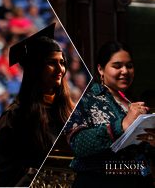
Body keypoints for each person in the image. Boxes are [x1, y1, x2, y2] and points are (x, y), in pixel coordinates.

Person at [0, 23, 74, 187]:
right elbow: (3, 167)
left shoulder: (68, 110)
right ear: (36, 67)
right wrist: (47, 177)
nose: (60, 69)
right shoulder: (16, 115)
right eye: (52, 62)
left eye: (62, 62)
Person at [64, 41, 155, 188]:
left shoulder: (140, 105)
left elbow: (147, 151)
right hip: (100, 182)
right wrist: (122, 125)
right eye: (117, 66)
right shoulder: (84, 100)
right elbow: (78, 144)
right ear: (100, 69)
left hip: (141, 180)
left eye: (129, 66)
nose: (125, 71)